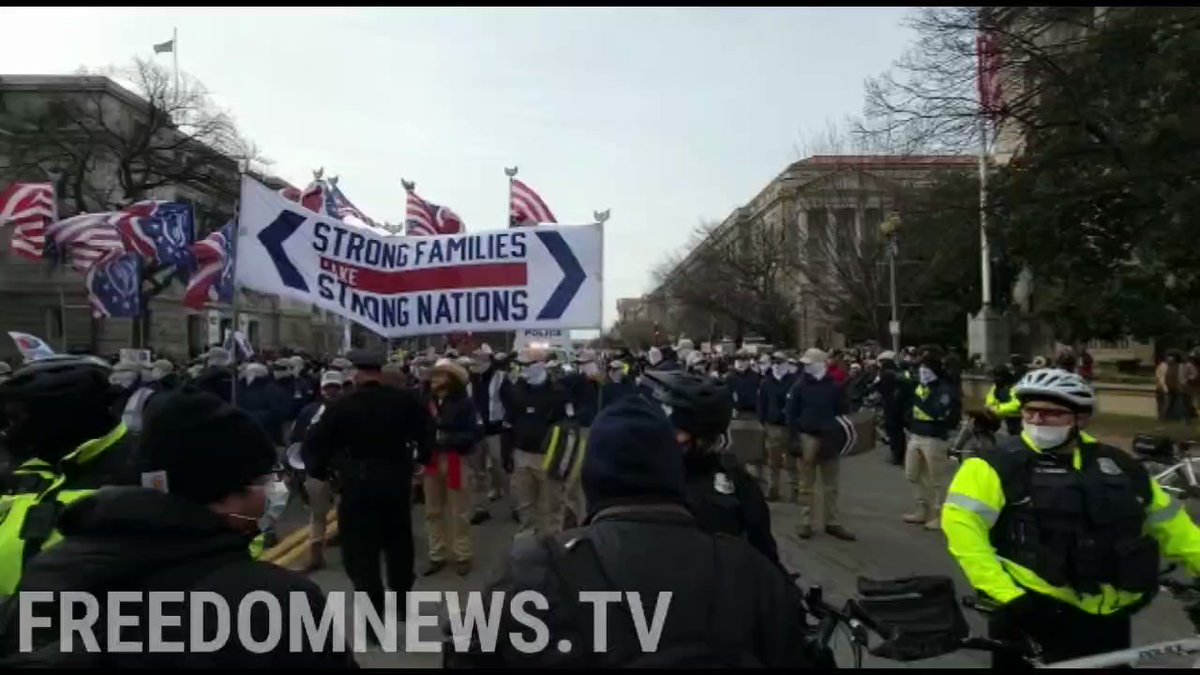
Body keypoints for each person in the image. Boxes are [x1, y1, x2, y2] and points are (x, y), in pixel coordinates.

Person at [443, 395, 815, 668]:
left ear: (593, 477)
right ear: (672, 473)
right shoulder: (749, 570)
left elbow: (466, 656)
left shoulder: (531, 568)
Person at [0, 388, 356, 667]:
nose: (272, 493)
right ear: (223, 492)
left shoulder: (52, 570)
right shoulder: (274, 601)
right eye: (264, 479)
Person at [942, 368, 1200, 668]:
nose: (1037, 420)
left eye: (1051, 414)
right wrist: (1008, 597)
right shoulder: (993, 466)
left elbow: (1174, 527)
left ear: (1080, 418)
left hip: (1109, 617)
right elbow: (964, 535)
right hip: (1031, 611)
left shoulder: (1121, 466)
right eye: (1030, 412)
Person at [303, 348, 432, 619]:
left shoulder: (343, 406)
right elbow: (428, 432)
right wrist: (421, 461)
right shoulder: (404, 401)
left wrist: (324, 471)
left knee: (362, 551)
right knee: (398, 544)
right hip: (396, 482)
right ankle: (401, 602)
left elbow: (315, 444)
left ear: (357, 373)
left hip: (357, 485)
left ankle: (374, 611)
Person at [0, 355, 142, 599]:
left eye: (20, 417)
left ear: (61, 414)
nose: (7, 429)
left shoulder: (142, 466)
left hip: (95, 628)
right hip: (14, 626)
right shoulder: (19, 471)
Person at [642, 369, 780, 566]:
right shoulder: (640, 476)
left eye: (674, 430)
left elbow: (765, 557)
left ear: (702, 437)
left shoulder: (736, 485)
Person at [421, 358, 483, 577]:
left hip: (455, 460)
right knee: (432, 511)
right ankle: (436, 554)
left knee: (460, 511)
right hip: (432, 460)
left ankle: (462, 555)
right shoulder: (427, 402)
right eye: (435, 375)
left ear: (452, 380)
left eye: (441, 375)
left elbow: (474, 434)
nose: (436, 379)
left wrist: (448, 437)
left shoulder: (465, 404)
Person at [786, 348, 855, 541]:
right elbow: (791, 415)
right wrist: (793, 439)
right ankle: (805, 521)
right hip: (807, 436)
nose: (806, 367)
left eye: (809, 364)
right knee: (806, 484)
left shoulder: (835, 387)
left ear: (820, 364)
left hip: (829, 437)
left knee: (831, 484)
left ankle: (832, 522)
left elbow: (843, 413)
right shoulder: (799, 386)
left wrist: (841, 437)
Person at [501, 348, 566, 538]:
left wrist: (561, 460)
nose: (522, 369)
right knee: (525, 506)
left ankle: (553, 546)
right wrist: (507, 453)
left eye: (526, 365)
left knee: (551, 506)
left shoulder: (557, 392)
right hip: (521, 455)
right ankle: (527, 547)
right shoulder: (516, 391)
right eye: (519, 365)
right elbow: (508, 423)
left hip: (547, 457)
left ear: (540, 365)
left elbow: (566, 429)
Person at [290, 370, 344, 571]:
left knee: (346, 513)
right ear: (322, 389)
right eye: (328, 387)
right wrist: (297, 470)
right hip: (316, 470)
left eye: (335, 387)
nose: (332, 391)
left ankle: (352, 552)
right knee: (317, 514)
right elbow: (296, 440)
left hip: (342, 470)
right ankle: (315, 555)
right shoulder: (309, 412)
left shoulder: (348, 410)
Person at [902, 353, 960, 530]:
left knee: (937, 478)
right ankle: (922, 509)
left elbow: (938, 411)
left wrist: (921, 399)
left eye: (926, 368)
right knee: (912, 473)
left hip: (934, 436)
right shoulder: (919, 386)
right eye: (921, 368)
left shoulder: (944, 389)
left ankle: (940, 515)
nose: (922, 372)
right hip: (916, 434)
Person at [556, 349, 605, 529]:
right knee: (575, 477)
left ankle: (581, 516)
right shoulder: (575, 380)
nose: (584, 367)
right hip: (580, 430)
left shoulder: (602, 383)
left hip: (596, 429)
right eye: (581, 364)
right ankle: (574, 517)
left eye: (587, 363)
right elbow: (559, 387)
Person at [756, 351, 796, 502]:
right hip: (772, 426)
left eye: (780, 362)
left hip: (789, 426)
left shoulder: (793, 381)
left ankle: (795, 490)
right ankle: (773, 490)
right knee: (773, 461)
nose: (777, 365)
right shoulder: (766, 382)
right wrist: (764, 422)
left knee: (792, 460)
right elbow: (761, 404)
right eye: (775, 362)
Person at [871, 351, 908, 466]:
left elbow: (879, 388)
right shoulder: (900, 373)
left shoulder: (885, 374)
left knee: (892, 431)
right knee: (899, 431)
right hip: (901, 404)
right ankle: (901, 454)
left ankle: (896, 455)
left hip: (890, 405)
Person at [985, 365, 1022, 436]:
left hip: (1018, 419)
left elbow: (1017, 404)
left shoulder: (1015, 386)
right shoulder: (996, 387)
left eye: (997, 376)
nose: (994, 379)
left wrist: (998, 408)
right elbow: (990, 401)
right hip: (1003, 417)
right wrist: (990, 408)